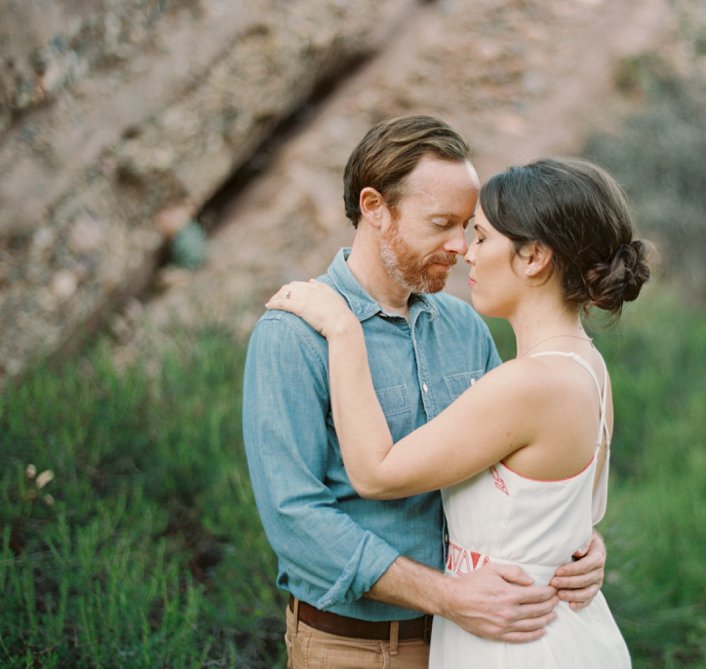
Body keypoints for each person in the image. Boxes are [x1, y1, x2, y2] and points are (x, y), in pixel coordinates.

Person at [242, 116, 608, 669]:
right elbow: (296, 521)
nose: (460, 247)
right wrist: (449, 597)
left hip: (471, 642)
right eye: (442, 223)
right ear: (374, 207)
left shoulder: (465, 328)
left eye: (469, 227)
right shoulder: (292, 334)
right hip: (351, 650)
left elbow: (508, 475)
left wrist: (571, 547)